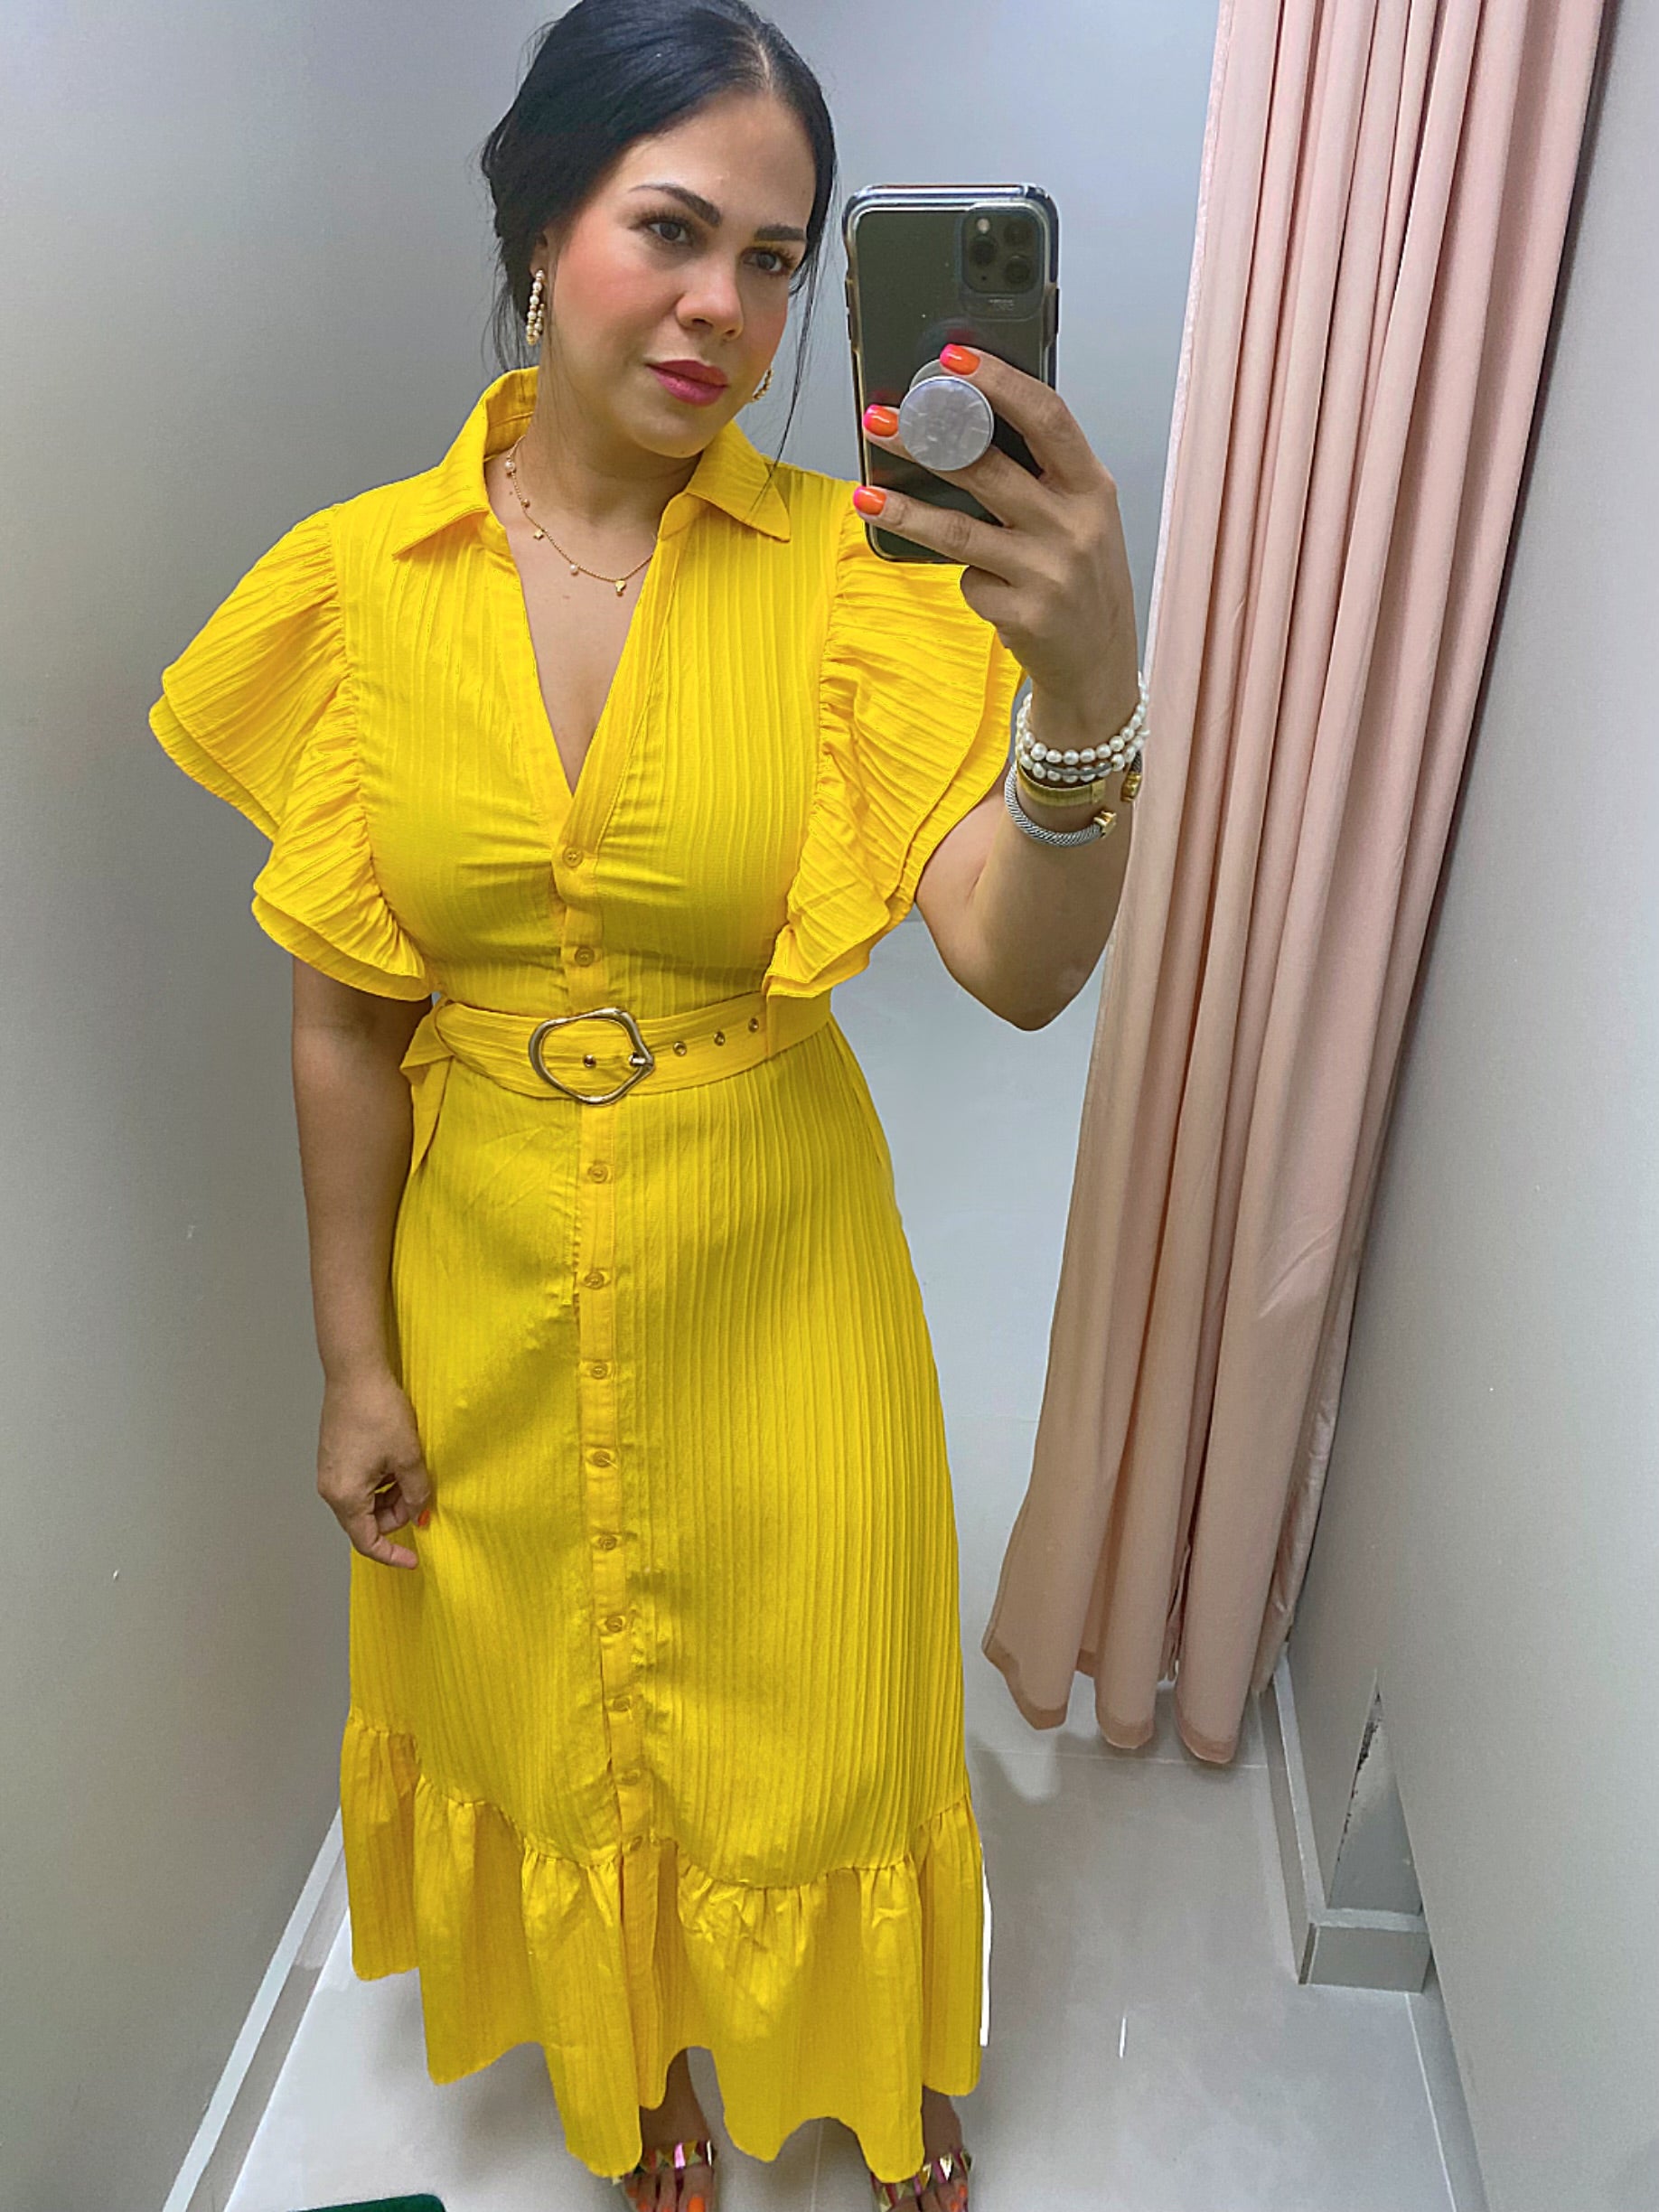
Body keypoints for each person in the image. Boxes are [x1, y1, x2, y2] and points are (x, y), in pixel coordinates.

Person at [147, 4, 1141, 2207]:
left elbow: (1018, 967)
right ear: (538, 225)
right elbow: (343, 1025)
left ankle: (878, 2058)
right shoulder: (356, 590)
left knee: (822, 1717)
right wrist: (353, 1365)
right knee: (567, 1720)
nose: (723, 308)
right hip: (487, 1286)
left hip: (780, 1275)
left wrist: (1082, 698)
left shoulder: (859, 579)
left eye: (775, 260)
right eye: (670, 230)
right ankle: (646, 2061)